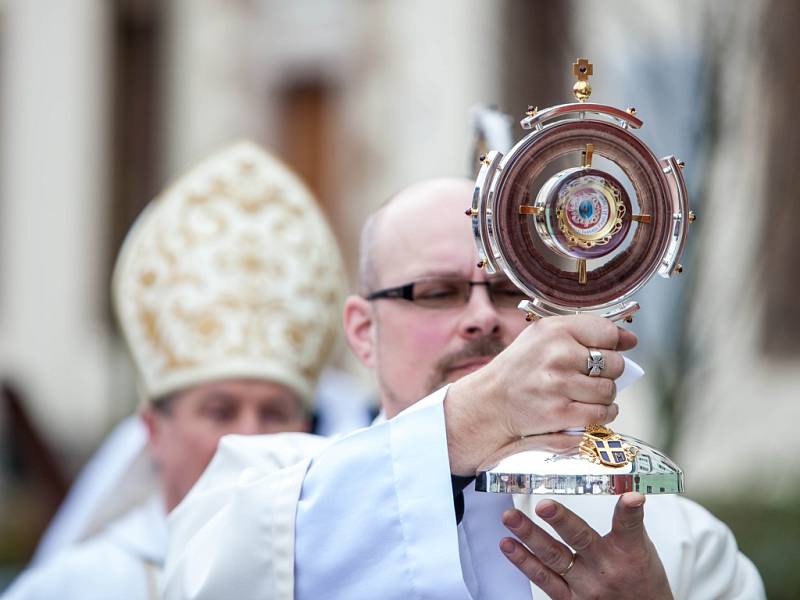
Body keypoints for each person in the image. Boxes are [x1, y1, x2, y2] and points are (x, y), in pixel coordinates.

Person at [163, 178, 764, 599]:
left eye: (508, 290)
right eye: (437, 292)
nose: (482, 317)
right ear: (363, 331)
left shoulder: (670, 538)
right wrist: (473, 419)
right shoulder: (261, 488)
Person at [2, 141, 346, 600]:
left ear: (304, 428)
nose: (250, 438)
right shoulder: (76, 587)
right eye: (220, 411)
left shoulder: (339, 578)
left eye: (274, 412)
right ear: (154, 430)